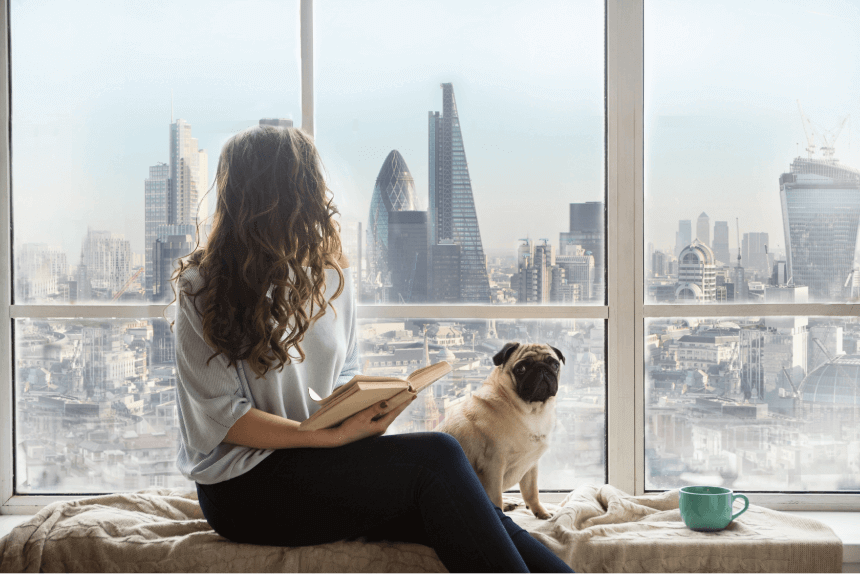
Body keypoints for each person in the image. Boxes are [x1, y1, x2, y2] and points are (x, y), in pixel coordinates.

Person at [169, 124, 574, 574]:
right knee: (438, 459)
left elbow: (348, 369)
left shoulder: (330, 275)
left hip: (323, 459)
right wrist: (322, 436)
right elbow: (223, 417)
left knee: (466, 504)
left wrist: (366, 411)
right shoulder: (201, 287)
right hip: (244, 488)